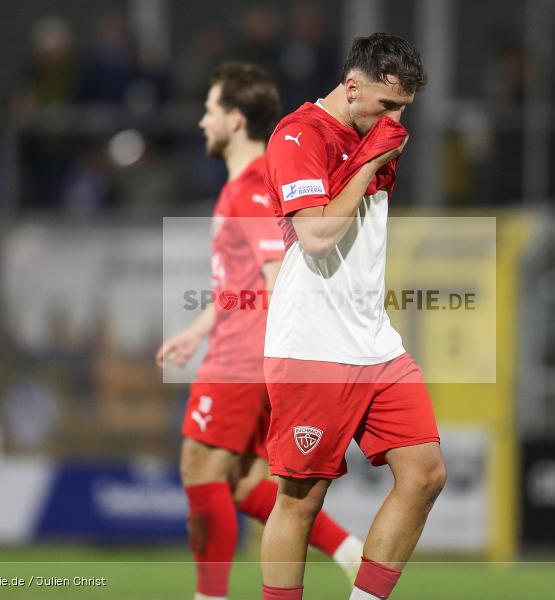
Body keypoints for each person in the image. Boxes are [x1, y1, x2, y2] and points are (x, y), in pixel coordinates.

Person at [156, 63, 362, 600]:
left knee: (198, 467)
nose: (202, 121)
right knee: (248, 487)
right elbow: (240, 283)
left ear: (235, 120)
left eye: (210, 110)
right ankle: (348, 551)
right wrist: (198, 329)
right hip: (241, 351)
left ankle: (210, 596)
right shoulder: (246, 187)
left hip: (243, 360)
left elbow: (279, 282)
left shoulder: (251, 189)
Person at [260, 34, 447, 600]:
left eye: (403, 110)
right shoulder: (299, 135)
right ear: (351, 86)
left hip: (373, 339)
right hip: (313, 343)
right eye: (386, 105)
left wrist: (372, 151)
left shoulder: (373, 136)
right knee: (301, 500)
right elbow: (316, 236)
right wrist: (368, 164)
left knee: (425, 474)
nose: (394, 120)